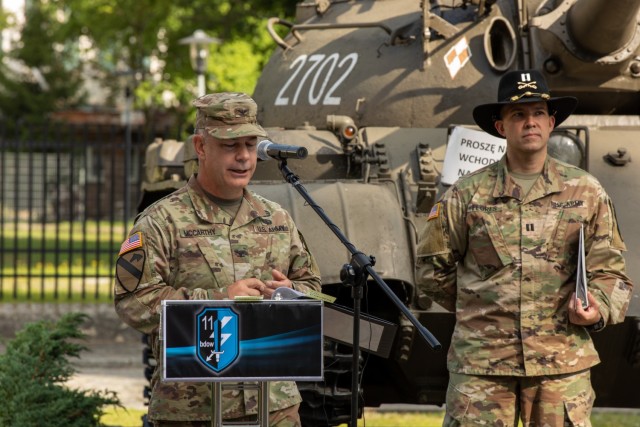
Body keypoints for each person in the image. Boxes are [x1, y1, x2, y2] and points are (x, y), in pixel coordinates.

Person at [416, 69, 633, 426]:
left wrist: (597, 309)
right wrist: (481, 306)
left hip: (560, 362)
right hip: (482, 366)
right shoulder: (466, 194)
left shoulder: (586, 191)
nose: (529, 122)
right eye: (518, 114)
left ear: (551, 123)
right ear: (501, 127)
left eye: (537, 114)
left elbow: (611, 272)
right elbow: (430, 270)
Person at [114, 92, 322, 426]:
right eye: (230, 146)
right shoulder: (161, 221)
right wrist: (218, 300)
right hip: (193, 408)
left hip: (275, 407)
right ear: (200, 147)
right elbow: (132, 302)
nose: (243, 157)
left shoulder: (277, 218)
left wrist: (290, 292)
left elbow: (312, 287)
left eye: (251, 145)